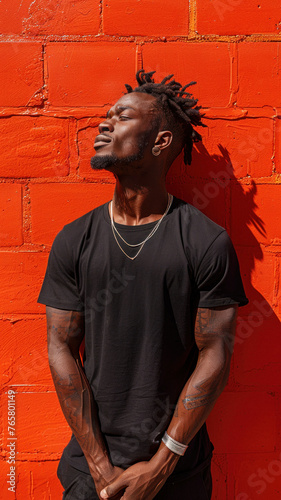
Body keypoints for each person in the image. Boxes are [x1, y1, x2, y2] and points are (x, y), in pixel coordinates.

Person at [38, 70, 248, 500]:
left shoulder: (206, 241)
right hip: (89, 472)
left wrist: (160, 466)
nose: (104, 123)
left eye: (122, 116)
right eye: (107, 115)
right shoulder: (74, 239)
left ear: (161, 141)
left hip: (176, 475)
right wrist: (98, 467)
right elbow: (60, 346)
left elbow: (216, 355)